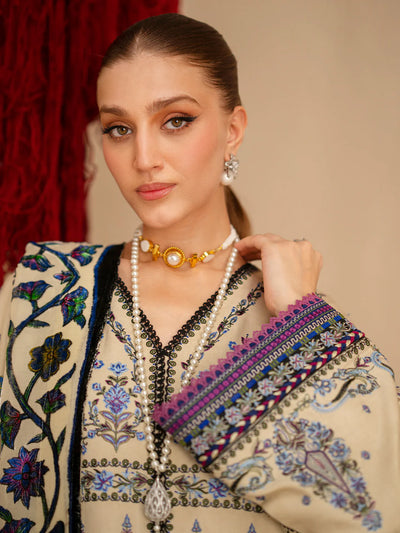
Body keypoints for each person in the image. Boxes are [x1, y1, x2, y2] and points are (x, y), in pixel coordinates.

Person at [0, 13, 398, 533]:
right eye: (119, 129)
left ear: (233, 130)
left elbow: (375, 508)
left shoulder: (290, 318)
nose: (144, 158)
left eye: (176, 121)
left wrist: (301, 317)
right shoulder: (44, 292)